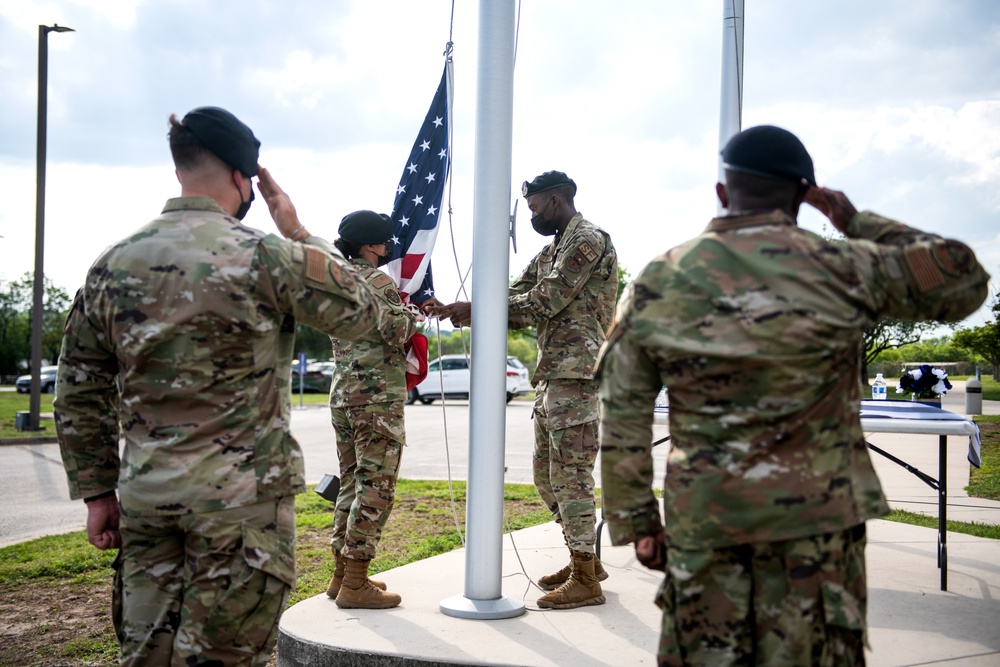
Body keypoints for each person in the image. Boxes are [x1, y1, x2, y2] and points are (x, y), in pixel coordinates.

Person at [597, 125, 990, 665]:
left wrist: (638, 524)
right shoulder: (846, 268)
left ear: (721, 192)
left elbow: (622, 412)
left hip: (708, 520)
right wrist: (855, 221)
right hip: (819, 529)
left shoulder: (658, 281)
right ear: (805, 196)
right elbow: (963, 277)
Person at [54, 106, 378, 666]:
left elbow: (79, 389)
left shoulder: (113, 264)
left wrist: (98, 491)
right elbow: (364, 311)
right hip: (241, 508)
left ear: (181, 168)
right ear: (243, 179)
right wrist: (298, 230)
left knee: (147, 657)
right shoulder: (266, 255)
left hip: (146, 502)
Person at [434, 170, 618, 609]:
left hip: (576, 374)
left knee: (569, 475)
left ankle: (584, 576)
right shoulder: (552, 249)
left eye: (535, 208)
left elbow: (546, 300)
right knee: (544, 474)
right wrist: (463, 310)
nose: (532, 216)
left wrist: (480, 309)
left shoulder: (586, 240)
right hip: (553, 374)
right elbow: (514, 297)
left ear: (556, 200)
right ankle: (586, 562)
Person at [323, 210, 417, 609]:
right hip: (375, 398)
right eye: (384, 241)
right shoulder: (377, 280)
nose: (388, 246)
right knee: (375, 486)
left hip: (343, 394)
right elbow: (395, 331)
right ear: (370, 246)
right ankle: (356, 582)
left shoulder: (335, 279)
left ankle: (341, 575)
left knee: (350, 484)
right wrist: (412, 317)